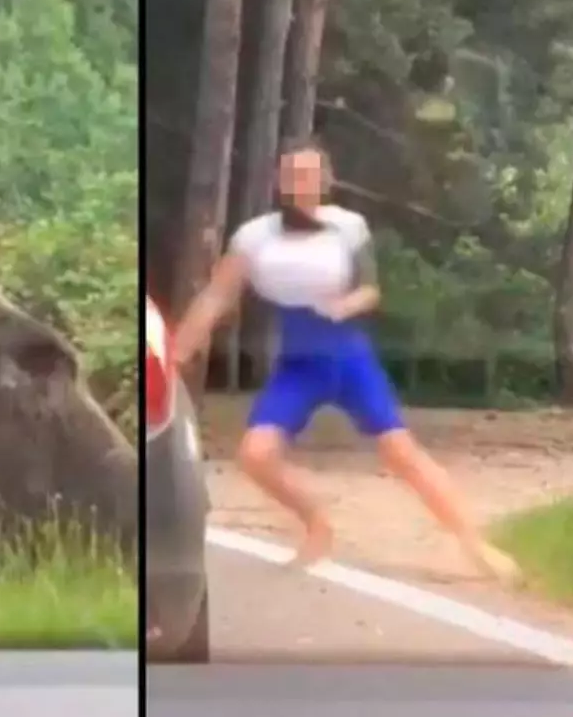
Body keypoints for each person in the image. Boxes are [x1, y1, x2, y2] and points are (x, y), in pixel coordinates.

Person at [170, 140, 517, 580]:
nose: (301, 184)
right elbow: (216, 297)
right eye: (292, 176)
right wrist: (177, 352)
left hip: (348, 359)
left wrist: (345, 305)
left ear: (325, 181)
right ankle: (317, 521)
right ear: (280, 182)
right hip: (299, 366)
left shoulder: (349, 227)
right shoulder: (254, 238)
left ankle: (477, 546)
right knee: (256, 455)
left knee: (401, 453)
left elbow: (371, 289)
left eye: (310, 175)